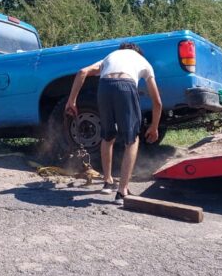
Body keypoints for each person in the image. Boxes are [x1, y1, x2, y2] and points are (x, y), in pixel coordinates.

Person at [65, 42, 162, 205]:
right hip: (126, 86)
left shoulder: (110, 57)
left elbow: (82, 72)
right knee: (132, 140)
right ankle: (122, 191)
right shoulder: (143, 61)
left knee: (107, 135)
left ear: (122, 50)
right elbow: (157, 102)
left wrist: (72, 101)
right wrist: (154, 127)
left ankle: (108, 181)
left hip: (104, 87)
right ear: (137, 53)